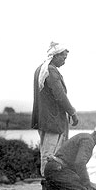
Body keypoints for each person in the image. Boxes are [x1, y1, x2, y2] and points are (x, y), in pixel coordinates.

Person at [31, 41, 79, 177]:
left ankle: (49, 180)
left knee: (46, 150)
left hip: (44, 117)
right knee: (50, 152)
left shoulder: (41, 69)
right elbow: (60, 95)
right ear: (56, 56)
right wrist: (73, 112)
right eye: (63, 58)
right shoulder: (50, 71)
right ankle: (49, 182)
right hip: (53, 118)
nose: (64, 61)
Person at [42, 121, 96, 190]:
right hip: (57, 171)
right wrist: (88, 183)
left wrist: (87, 183)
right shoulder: (88, 140)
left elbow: (76, 166)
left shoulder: (86, 138)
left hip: (55, 170)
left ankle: (52, 186)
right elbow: (80, 163)